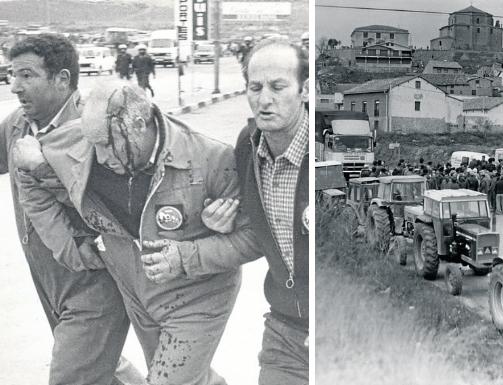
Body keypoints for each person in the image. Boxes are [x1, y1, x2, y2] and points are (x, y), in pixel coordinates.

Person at [14, 81, 254, 384]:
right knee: (187, 376)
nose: (99, 157)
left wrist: (185, 256)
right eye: (94, 146)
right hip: (138, 295)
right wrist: (68, 245)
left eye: (106, 145)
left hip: (198, 296)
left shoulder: (212, 160)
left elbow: (252, 238)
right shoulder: (85, 139)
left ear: (139, 124)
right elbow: (25, 167)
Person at [4, 33, 143, 385]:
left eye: (27, 75)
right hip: (50, 279)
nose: (15, 87)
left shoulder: (96, 130)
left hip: (94, 280)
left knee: (74, 374)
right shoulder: (18, 124)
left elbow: (120, 206)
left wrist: (42, 167)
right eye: (12, 74)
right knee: (103, 369)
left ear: (62, 79)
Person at [197, 38, 309, 384]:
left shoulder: (322, 156)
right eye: (255, 87)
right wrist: (218, 223)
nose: (264, 100)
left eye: (278, 87)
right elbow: (253, 233)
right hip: (284, 330)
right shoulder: (247, 147)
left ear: (305, 90)